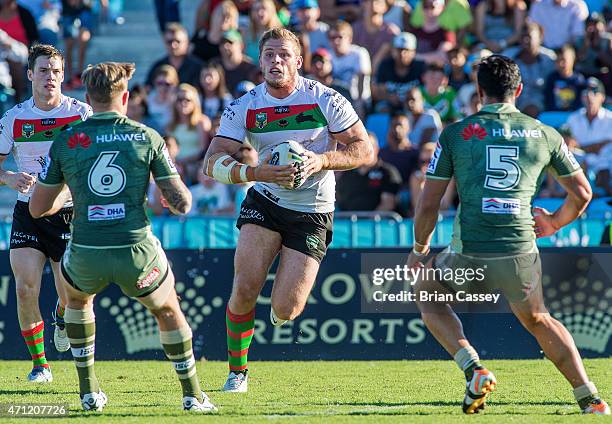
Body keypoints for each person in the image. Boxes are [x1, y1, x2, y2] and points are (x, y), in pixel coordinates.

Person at [407, 54, 610, 415]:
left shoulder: (455, 134)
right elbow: (583, 193)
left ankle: (474, 367)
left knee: (426, 290)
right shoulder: (545, 133)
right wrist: (555, 223)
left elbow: (427, 206)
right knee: (539, 320)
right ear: (518, 89)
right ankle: (590, 398)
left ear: (480, 91)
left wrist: (419, 249)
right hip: (519, 251)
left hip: (469, 251)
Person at [29, 61, 217, 413]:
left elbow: (39, 208)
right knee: (168, 308)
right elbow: (182, 203)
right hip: (136, 251)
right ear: (126, 97)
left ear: (87, 97)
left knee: (76, 302)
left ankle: (88, 392)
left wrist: (74, 189)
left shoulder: (68, 140)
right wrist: (170, 196)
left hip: (86, 250)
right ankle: (193, 396)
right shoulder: (147, 137)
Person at [203, 27, 372, 392]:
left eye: (283, 55)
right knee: (245, 286)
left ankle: (280, 313)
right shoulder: (246, 105)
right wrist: (254, 172)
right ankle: (237, 373)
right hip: (265, 200)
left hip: (312, 210)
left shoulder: (324, 99)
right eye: (269, 55)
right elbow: (211, 161)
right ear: (260, 60)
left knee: (286, 309)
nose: (276, 61)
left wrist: (321, 160)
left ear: (298, 61)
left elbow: (365, 149)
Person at [0, 44, 92, 382]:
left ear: (63, 75)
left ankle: (61, 315)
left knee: (71, 294)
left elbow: (95, 160)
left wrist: (70, 185)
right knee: (25, 288)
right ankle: (40, 365)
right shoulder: (15, 117)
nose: (49, 77)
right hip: (29, 212)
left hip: (68, 213)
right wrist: (9, 177)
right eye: (43, 70)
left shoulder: (80, 114)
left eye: (55, 71)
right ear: (30, 75)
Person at [336, 131, 402, 212]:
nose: (364, 151)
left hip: (377, 223)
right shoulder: (346, 173)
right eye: (361, 148)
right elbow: (338, 201)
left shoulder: (388, 172)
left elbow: (387, 204)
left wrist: (367, 223)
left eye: (368, 147)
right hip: (347, 222)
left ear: (377, 149)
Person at [167, 83, 211, 184]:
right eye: (180, 99)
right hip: (176, 165)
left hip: (195, 166)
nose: (183, 102)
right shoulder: (170, 126)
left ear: (194, 102)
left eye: (188, 100)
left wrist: (183, 161)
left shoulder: (201, 122)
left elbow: (203, 149)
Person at [372, 32, 425, 112]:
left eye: (406, 50)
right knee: (382, 108)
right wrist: (389, 97)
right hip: (390, 106)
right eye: (399, 50)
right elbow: (376, 91)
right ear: (393, 50)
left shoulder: (420, 67)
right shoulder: (385, 65)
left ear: (413, 52)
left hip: (413, 106)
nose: (402, 54)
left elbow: (427, 92)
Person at [145, 23, 205, 89]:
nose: (173, 45)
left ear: (187, 42)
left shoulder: (198, 67)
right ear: (164, 43)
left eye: (177, 41)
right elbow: (147, 90)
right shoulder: (157, 67)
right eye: (169, 41)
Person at [544, 44, 585, 112]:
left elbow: (580, 102)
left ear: (573, 60)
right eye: (558, 60)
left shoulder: (579, 80)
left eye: (564, 60)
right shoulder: (552, 78)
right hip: (554, 114)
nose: (561, 63)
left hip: (572, 115)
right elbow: (548, 99)